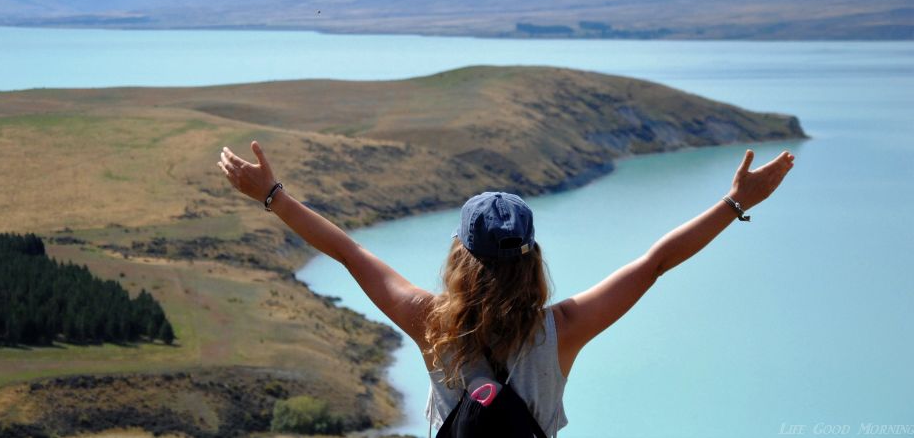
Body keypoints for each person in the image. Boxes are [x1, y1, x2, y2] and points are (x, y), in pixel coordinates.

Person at [218, 142, 794, 437]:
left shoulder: (431, 325)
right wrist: (735, 202)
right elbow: (656, 263)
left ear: (459, 256)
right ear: (532, 256)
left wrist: (273, 196)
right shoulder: (561, 330)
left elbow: (349, 252)